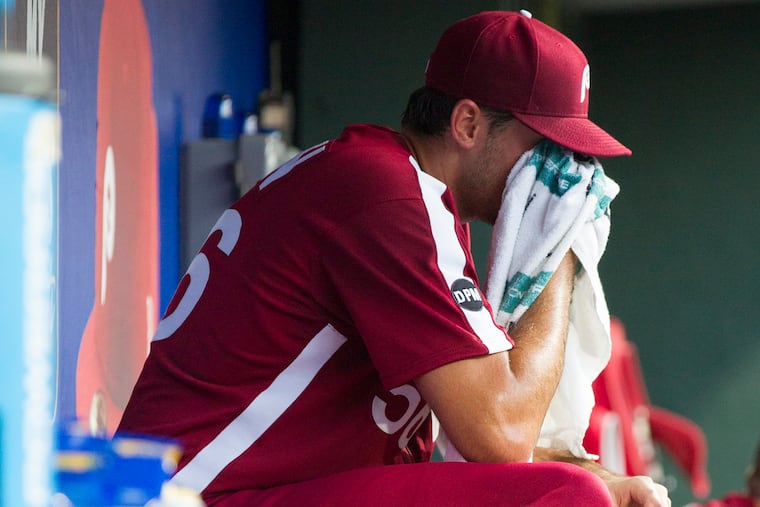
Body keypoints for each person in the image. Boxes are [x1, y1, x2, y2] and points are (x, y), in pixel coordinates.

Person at [118, 10, 670, 506]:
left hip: (240, 489)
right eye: (544, 149)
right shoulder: (387, 196)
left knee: (583, 487)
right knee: (567, 500)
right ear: (468, 124)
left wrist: (604, 478)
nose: (562, 177)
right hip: (197, 496)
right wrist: (563, 242)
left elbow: (470, 436)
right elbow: (501, 436)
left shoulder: (401, 192)